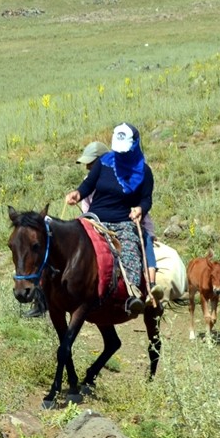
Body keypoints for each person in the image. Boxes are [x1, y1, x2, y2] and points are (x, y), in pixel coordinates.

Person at [66, 123, 156, 314]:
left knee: (130, 249)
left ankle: (132, 294)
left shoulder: (144, 172)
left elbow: (146, 199)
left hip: (123, 222)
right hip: (94, 219)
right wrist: (77, 194)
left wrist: (140, 208)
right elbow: (88, 185)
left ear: (134, 146)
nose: (121, 155)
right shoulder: (104, 162)